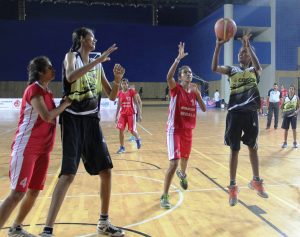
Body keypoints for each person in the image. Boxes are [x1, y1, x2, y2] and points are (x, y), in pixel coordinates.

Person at [39, 27, 125, 237]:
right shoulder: (72, 57)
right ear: (81, 39)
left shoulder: (97, 62)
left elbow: (112, 96)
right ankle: (48, 229)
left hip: (91, 121)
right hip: (72, 120)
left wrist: (115, 80)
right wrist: (98, 60)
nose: (95, 40)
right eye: (92, 37)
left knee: (106, 171)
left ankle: (103, 222)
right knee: (67, 174)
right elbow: (69, 76)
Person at [0, 56, 71, 237]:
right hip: (27, 148)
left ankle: (16, 228)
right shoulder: (34, 90)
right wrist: (65, 105)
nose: (53, 69)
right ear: (40, 72)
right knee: (17, 193)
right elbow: (47, 116)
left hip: (43, 150)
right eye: (49, 67)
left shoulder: (47, 92)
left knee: (33, 191)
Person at [211, 33, 268, 206]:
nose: (241, 54)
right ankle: (233, 186)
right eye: (240, 52)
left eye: (244, 52)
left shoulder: (254, 71)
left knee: (253, 147)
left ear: (250, 56)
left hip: (250, 113)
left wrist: (248, 45)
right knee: (234, 150)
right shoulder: (232, 70)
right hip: (235, 114)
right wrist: (218, 46)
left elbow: (259, 67)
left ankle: (256, 181)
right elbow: (214, 68)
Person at [160, 42, 206, 209]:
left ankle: (183, 174)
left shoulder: (194, 91)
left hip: (188, 131)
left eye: (190, 73)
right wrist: (178, 59)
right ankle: (164, 195)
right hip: (174, 130)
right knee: (174, 162)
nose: (189, 75)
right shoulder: (176, 89)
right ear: (180, 77)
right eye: (186, 73)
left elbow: (204, 108)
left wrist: (199, 95)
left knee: (185, 159)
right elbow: (168, 77)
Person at [115, 78, 142, 153]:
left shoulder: (131, 92)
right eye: (122, 83)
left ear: (128, 84)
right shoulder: (120, 93)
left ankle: (138, 138)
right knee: (121, 131)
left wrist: (139, 115)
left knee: (132, 131)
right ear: (121, 85)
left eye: (125, 83)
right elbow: (118, 105)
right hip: (123, 114)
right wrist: (116, 116)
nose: (124, 85)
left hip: (131, 114)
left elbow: (137, 103)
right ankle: (122, 147)